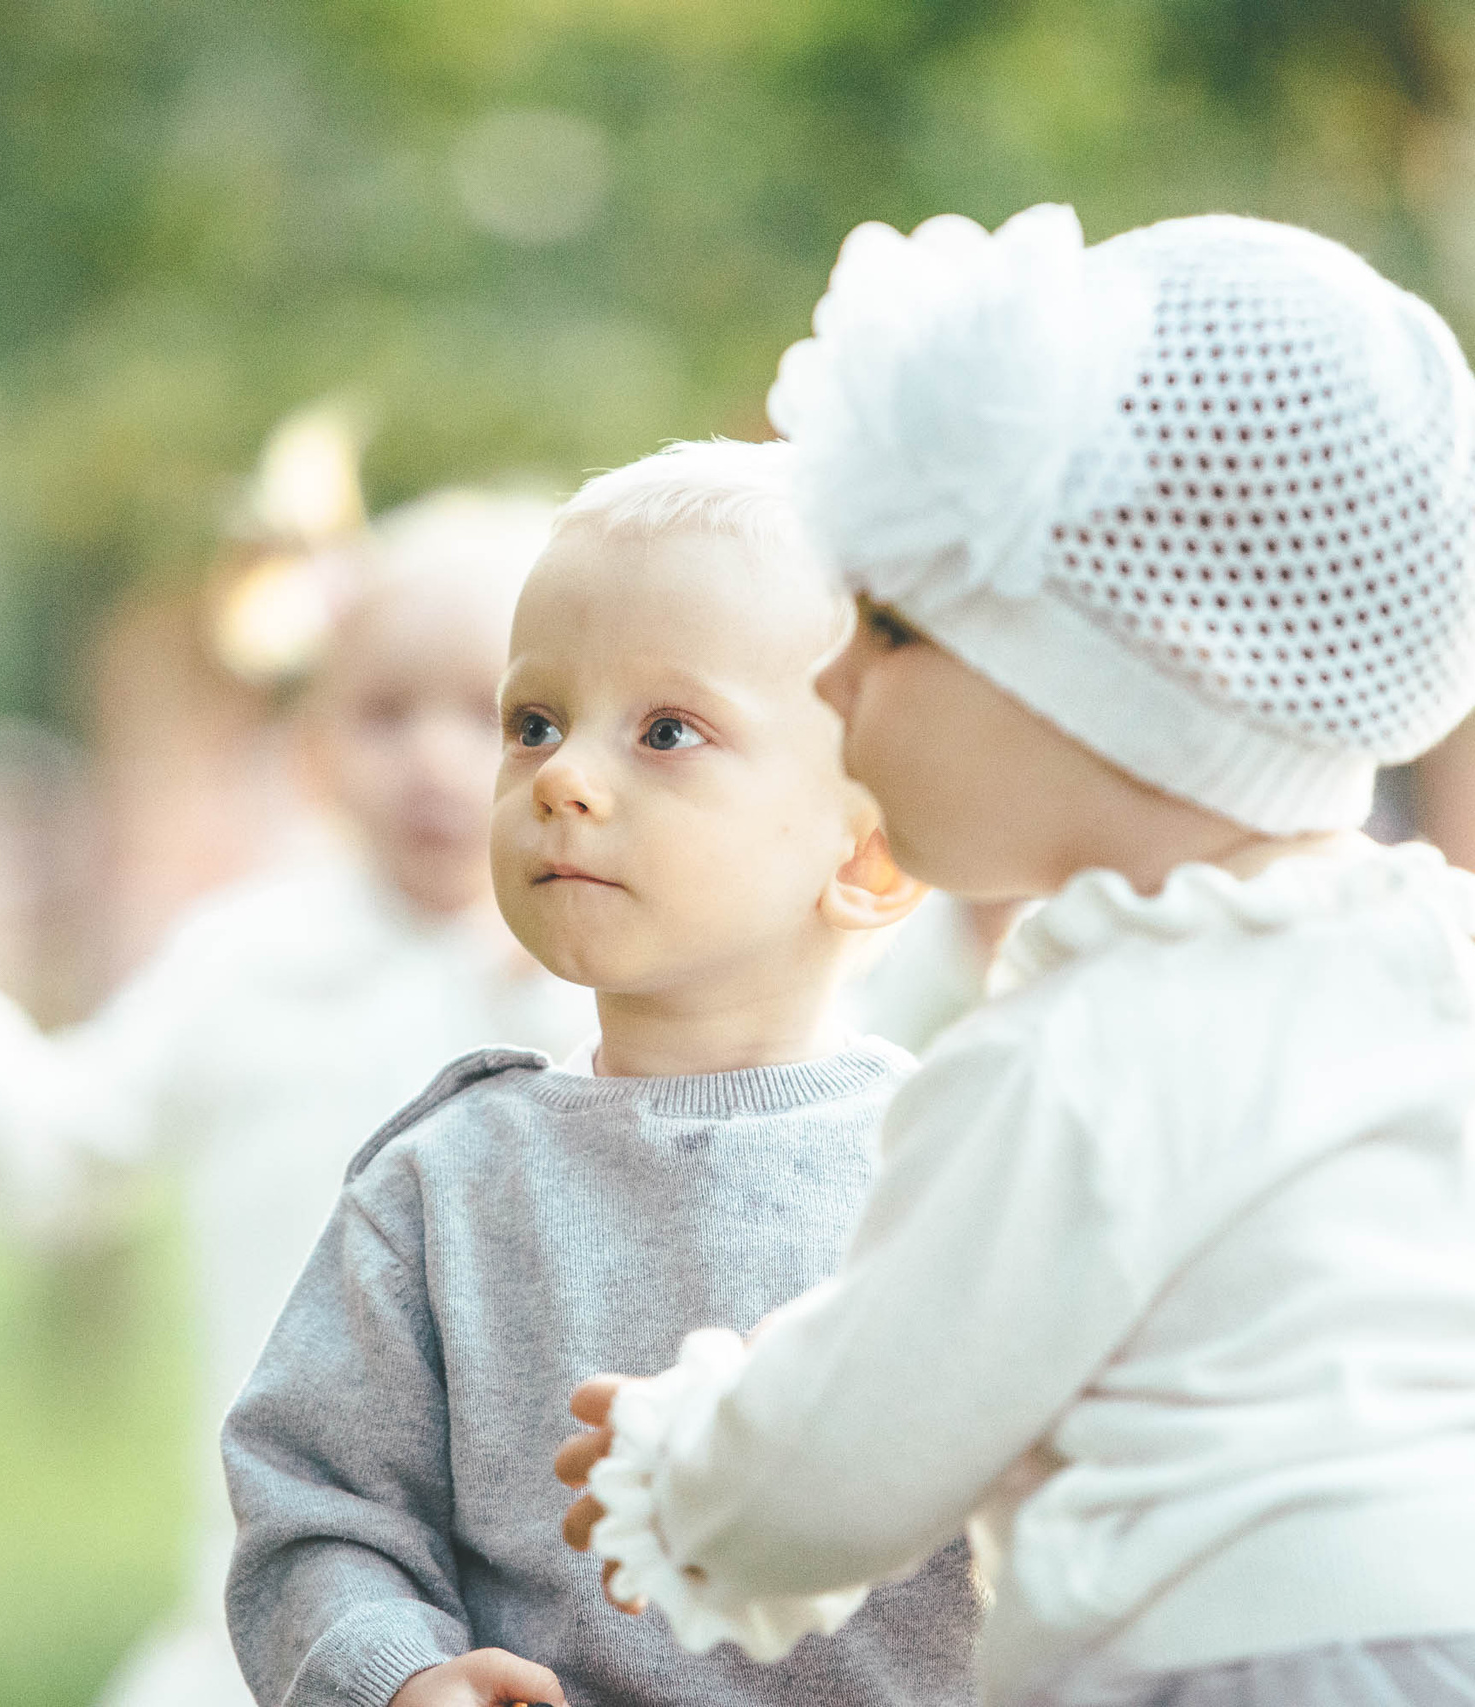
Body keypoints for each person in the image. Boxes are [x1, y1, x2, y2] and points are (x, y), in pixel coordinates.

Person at [557, 208, 1475, 1706]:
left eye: (892, 623)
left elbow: (867, 1433)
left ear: (1117, 685)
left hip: (1260, 1659)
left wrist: (683, 1465)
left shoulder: (1085, 1041)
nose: (830, 671)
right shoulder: (1444, 980)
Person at [221, 440, 979, 1707]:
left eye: (667, 731)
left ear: (870, 857)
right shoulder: (443, 1186)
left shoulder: (960, 1172)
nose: (563, 777)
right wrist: (399, 1676)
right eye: (534, 724)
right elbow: (318, 1513)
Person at [0, 491, 597, 1707]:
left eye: (500, 716)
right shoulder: (247, 965)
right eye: (385, 714)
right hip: (289, 1597)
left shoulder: (606, 984)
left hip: (550, 1612)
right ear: (309, 748)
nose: (437, 761)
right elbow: (65, 1153)